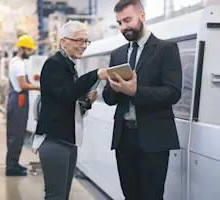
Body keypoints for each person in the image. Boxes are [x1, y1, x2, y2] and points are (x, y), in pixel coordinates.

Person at [102, 1, 182, 200]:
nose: (123, 27)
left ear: (142, 16)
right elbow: (108, 98)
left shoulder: (166, 49)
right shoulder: (118, 54)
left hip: (154, 139)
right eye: (119, 23)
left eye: (127, 20)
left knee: (152, 196)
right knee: (130, 195)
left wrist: (135, 91)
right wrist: (114, 88)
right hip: (124, 139)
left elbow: (173, 92)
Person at [34, 20, 108, 200]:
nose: (83, 46)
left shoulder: (68, 66)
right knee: (56, 196)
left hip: (68, 140)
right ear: (63, 41)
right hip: (54, 140)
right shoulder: (54, 64)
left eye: (85, 41)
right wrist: (95, 75)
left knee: (62, 195)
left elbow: (68, 104)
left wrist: (86, 102)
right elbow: (67, 95)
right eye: (79, 41)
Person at [5, 34, 40, 176]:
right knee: (16, 134)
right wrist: (39, 88)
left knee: (16, 134)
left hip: (16, 99)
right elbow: (23, 85)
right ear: (22, 48)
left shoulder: (14, 61)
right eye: (30, 50)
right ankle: (11, 167)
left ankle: (13, 163)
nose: (31, 52)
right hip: (19, 100)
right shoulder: (19, 64)